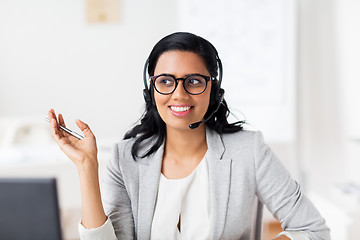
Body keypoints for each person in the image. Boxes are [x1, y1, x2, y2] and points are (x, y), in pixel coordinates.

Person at [48, 32, 330, 240]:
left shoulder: (248, 150)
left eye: (194, 81)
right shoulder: (126, 158)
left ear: (213, 90)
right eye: (166, 82)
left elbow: (314, 231)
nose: (179, 94)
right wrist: (87, 167)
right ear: (151, 91)